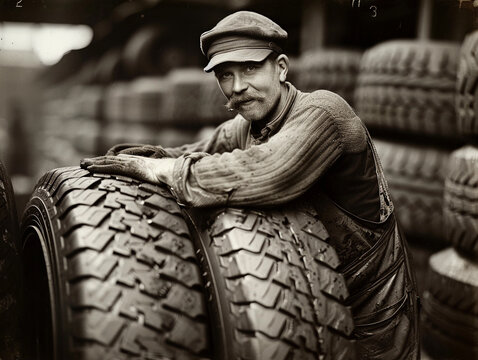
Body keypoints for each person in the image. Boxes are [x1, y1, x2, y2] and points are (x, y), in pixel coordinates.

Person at [81, 11, 419, 359]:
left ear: (282, 68)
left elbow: (268, 170)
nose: (238, 87)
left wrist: (165, 170)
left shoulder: (324, 113)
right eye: (225, 75)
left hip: (371, 308)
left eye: (250, 68)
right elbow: (191, 153)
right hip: (311, 292)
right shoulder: (245, 126)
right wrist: (144, 158)